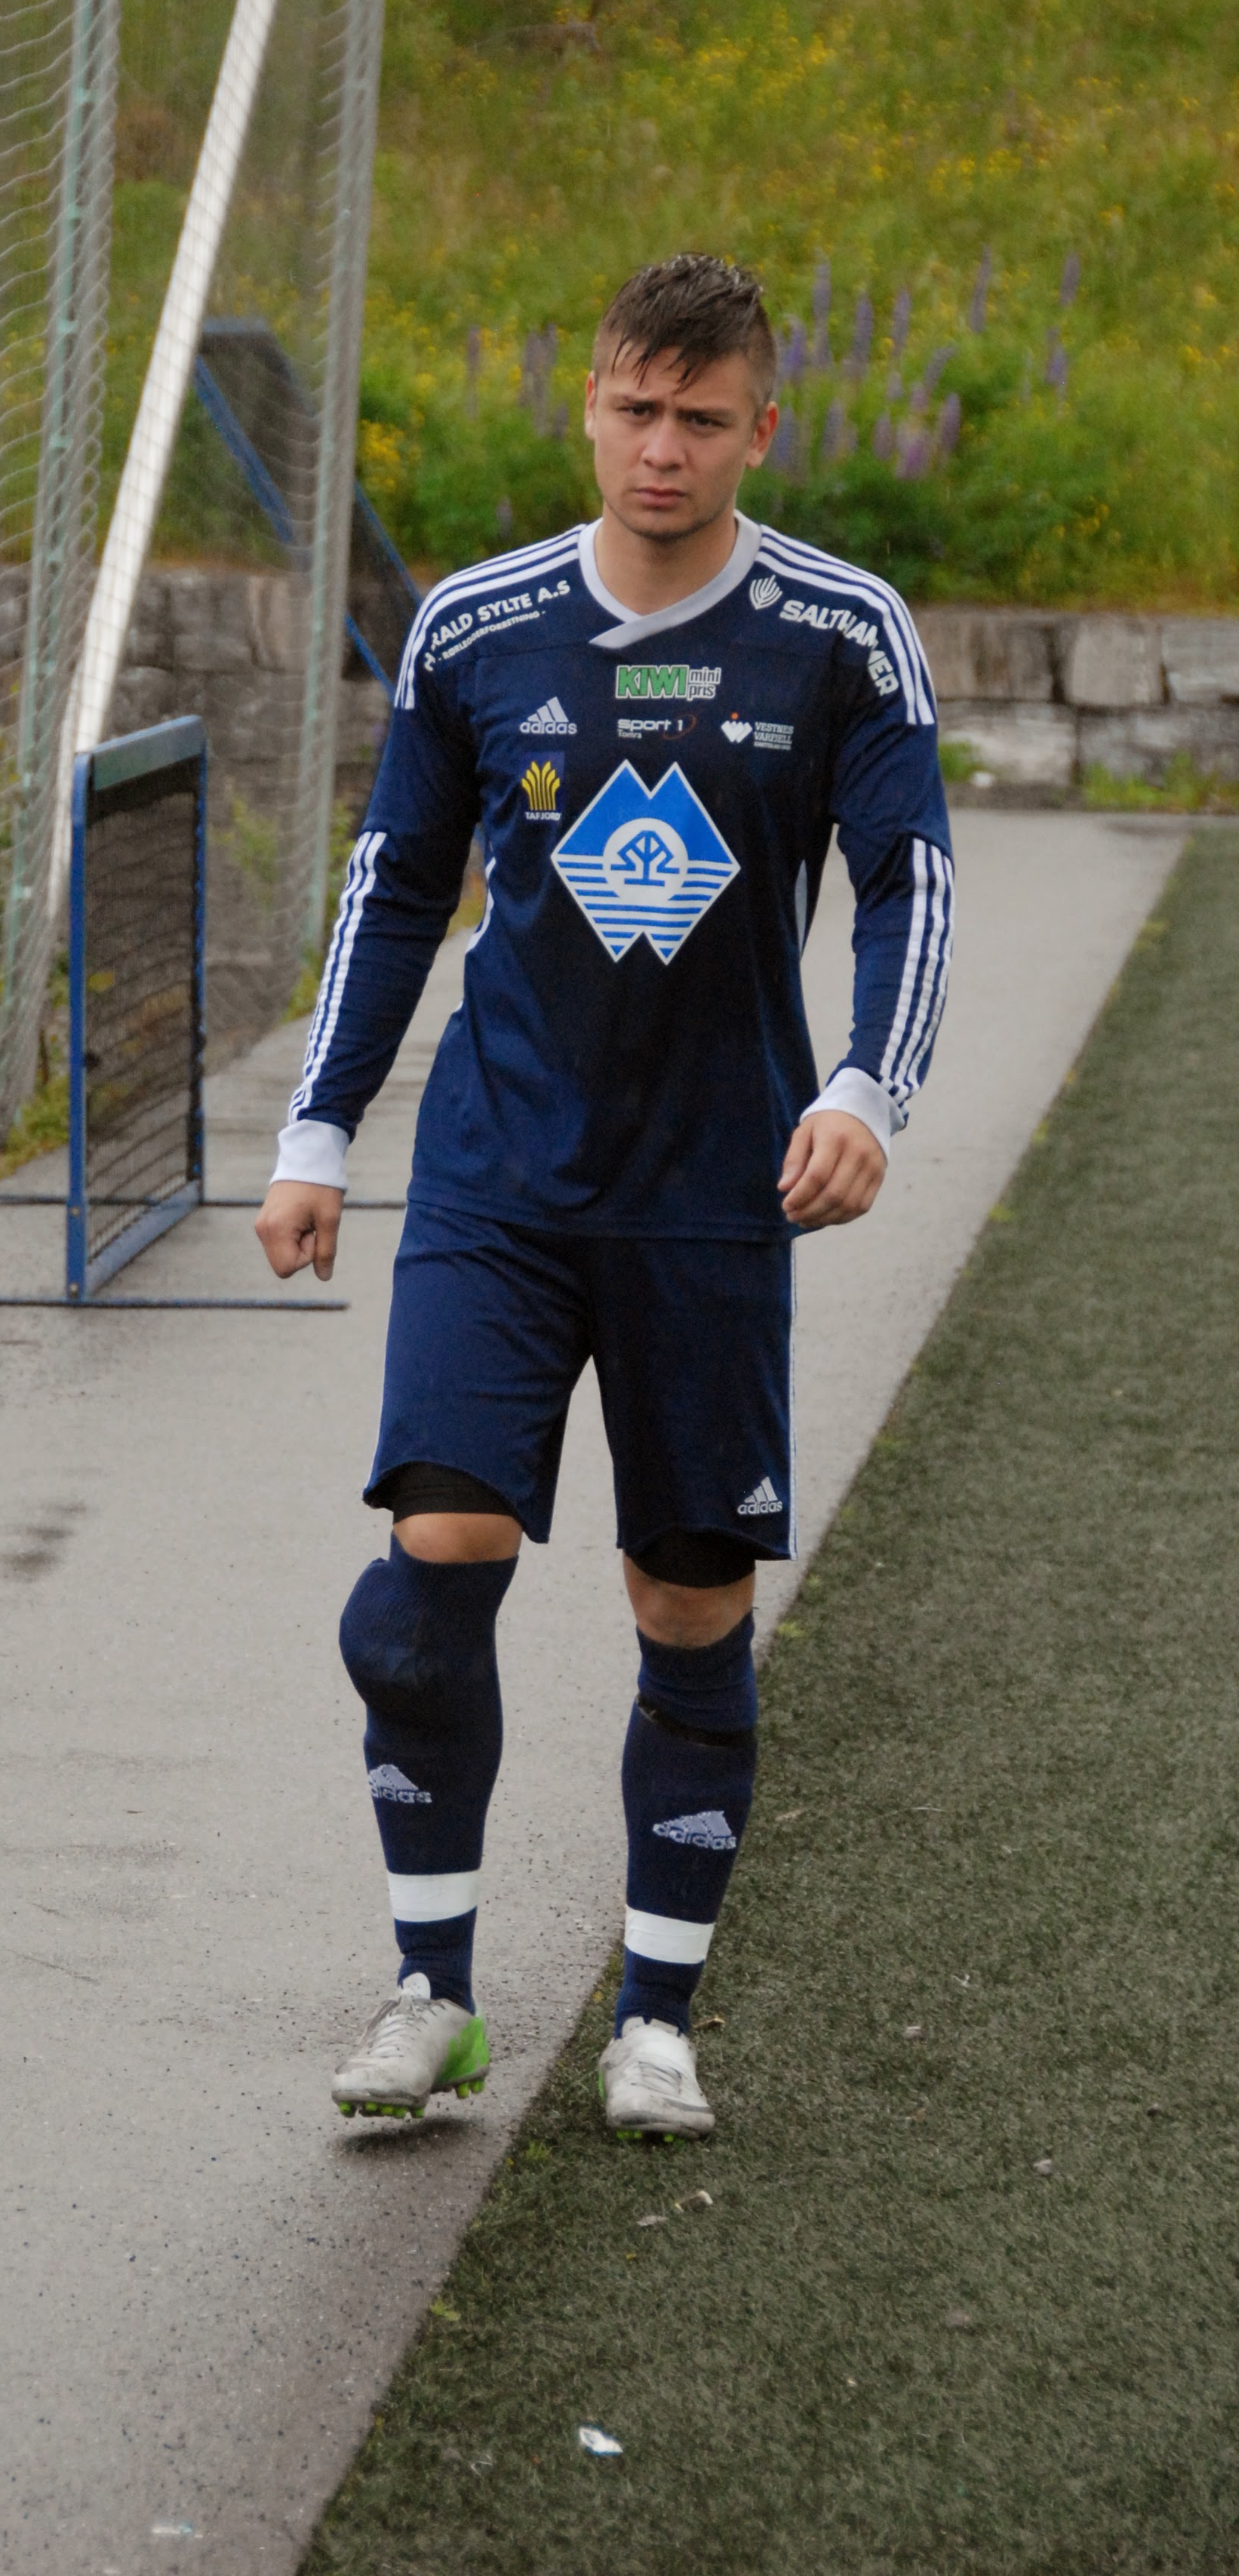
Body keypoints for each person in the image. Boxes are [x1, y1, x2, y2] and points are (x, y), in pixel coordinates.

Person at [255, 253, 952, 2138]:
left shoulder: (842, 633)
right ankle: (432, 1993)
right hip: (498, 1176)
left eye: (701, 418)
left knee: (690, 1603)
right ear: (590, 404)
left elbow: (908, 878)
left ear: (760, 428)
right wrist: (320, 1132)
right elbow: (397, 883)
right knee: (426, 1585)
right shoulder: (478, 626)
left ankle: (657, 2017)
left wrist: (869, 1090)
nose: (663, 448)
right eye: (635, 409)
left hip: (715, 1194)